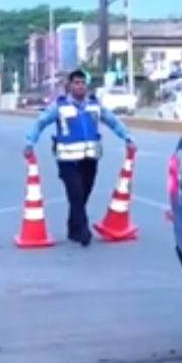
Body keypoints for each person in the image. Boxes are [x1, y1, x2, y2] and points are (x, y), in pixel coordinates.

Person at [24, 70, 136, 246]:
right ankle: (83, 231)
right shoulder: (59, 107)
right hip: (68, 161)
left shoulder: (94, 105)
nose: (80, 86)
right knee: (75, 194)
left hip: (90, 159)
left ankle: (73, 228)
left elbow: (113, 121)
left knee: (83, 194)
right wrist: (30, 142)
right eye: (76, 83)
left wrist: (127, 137)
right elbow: (41, 122)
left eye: (83, 83)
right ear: (69, 86)